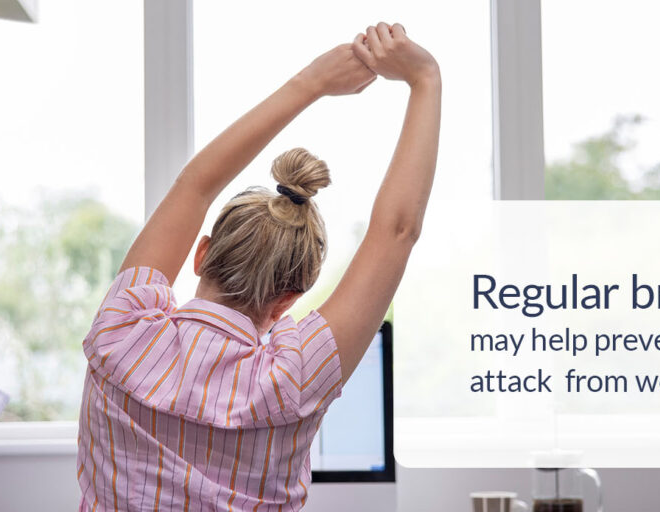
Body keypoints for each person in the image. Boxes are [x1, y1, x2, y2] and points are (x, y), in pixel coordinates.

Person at [76, 22, 440, 511]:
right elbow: (396, 233)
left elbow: (194, 187)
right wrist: (425, 79)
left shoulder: (122, 330)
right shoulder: (292, 377)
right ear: (290, 297)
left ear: (201, 253)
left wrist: (310, 83)